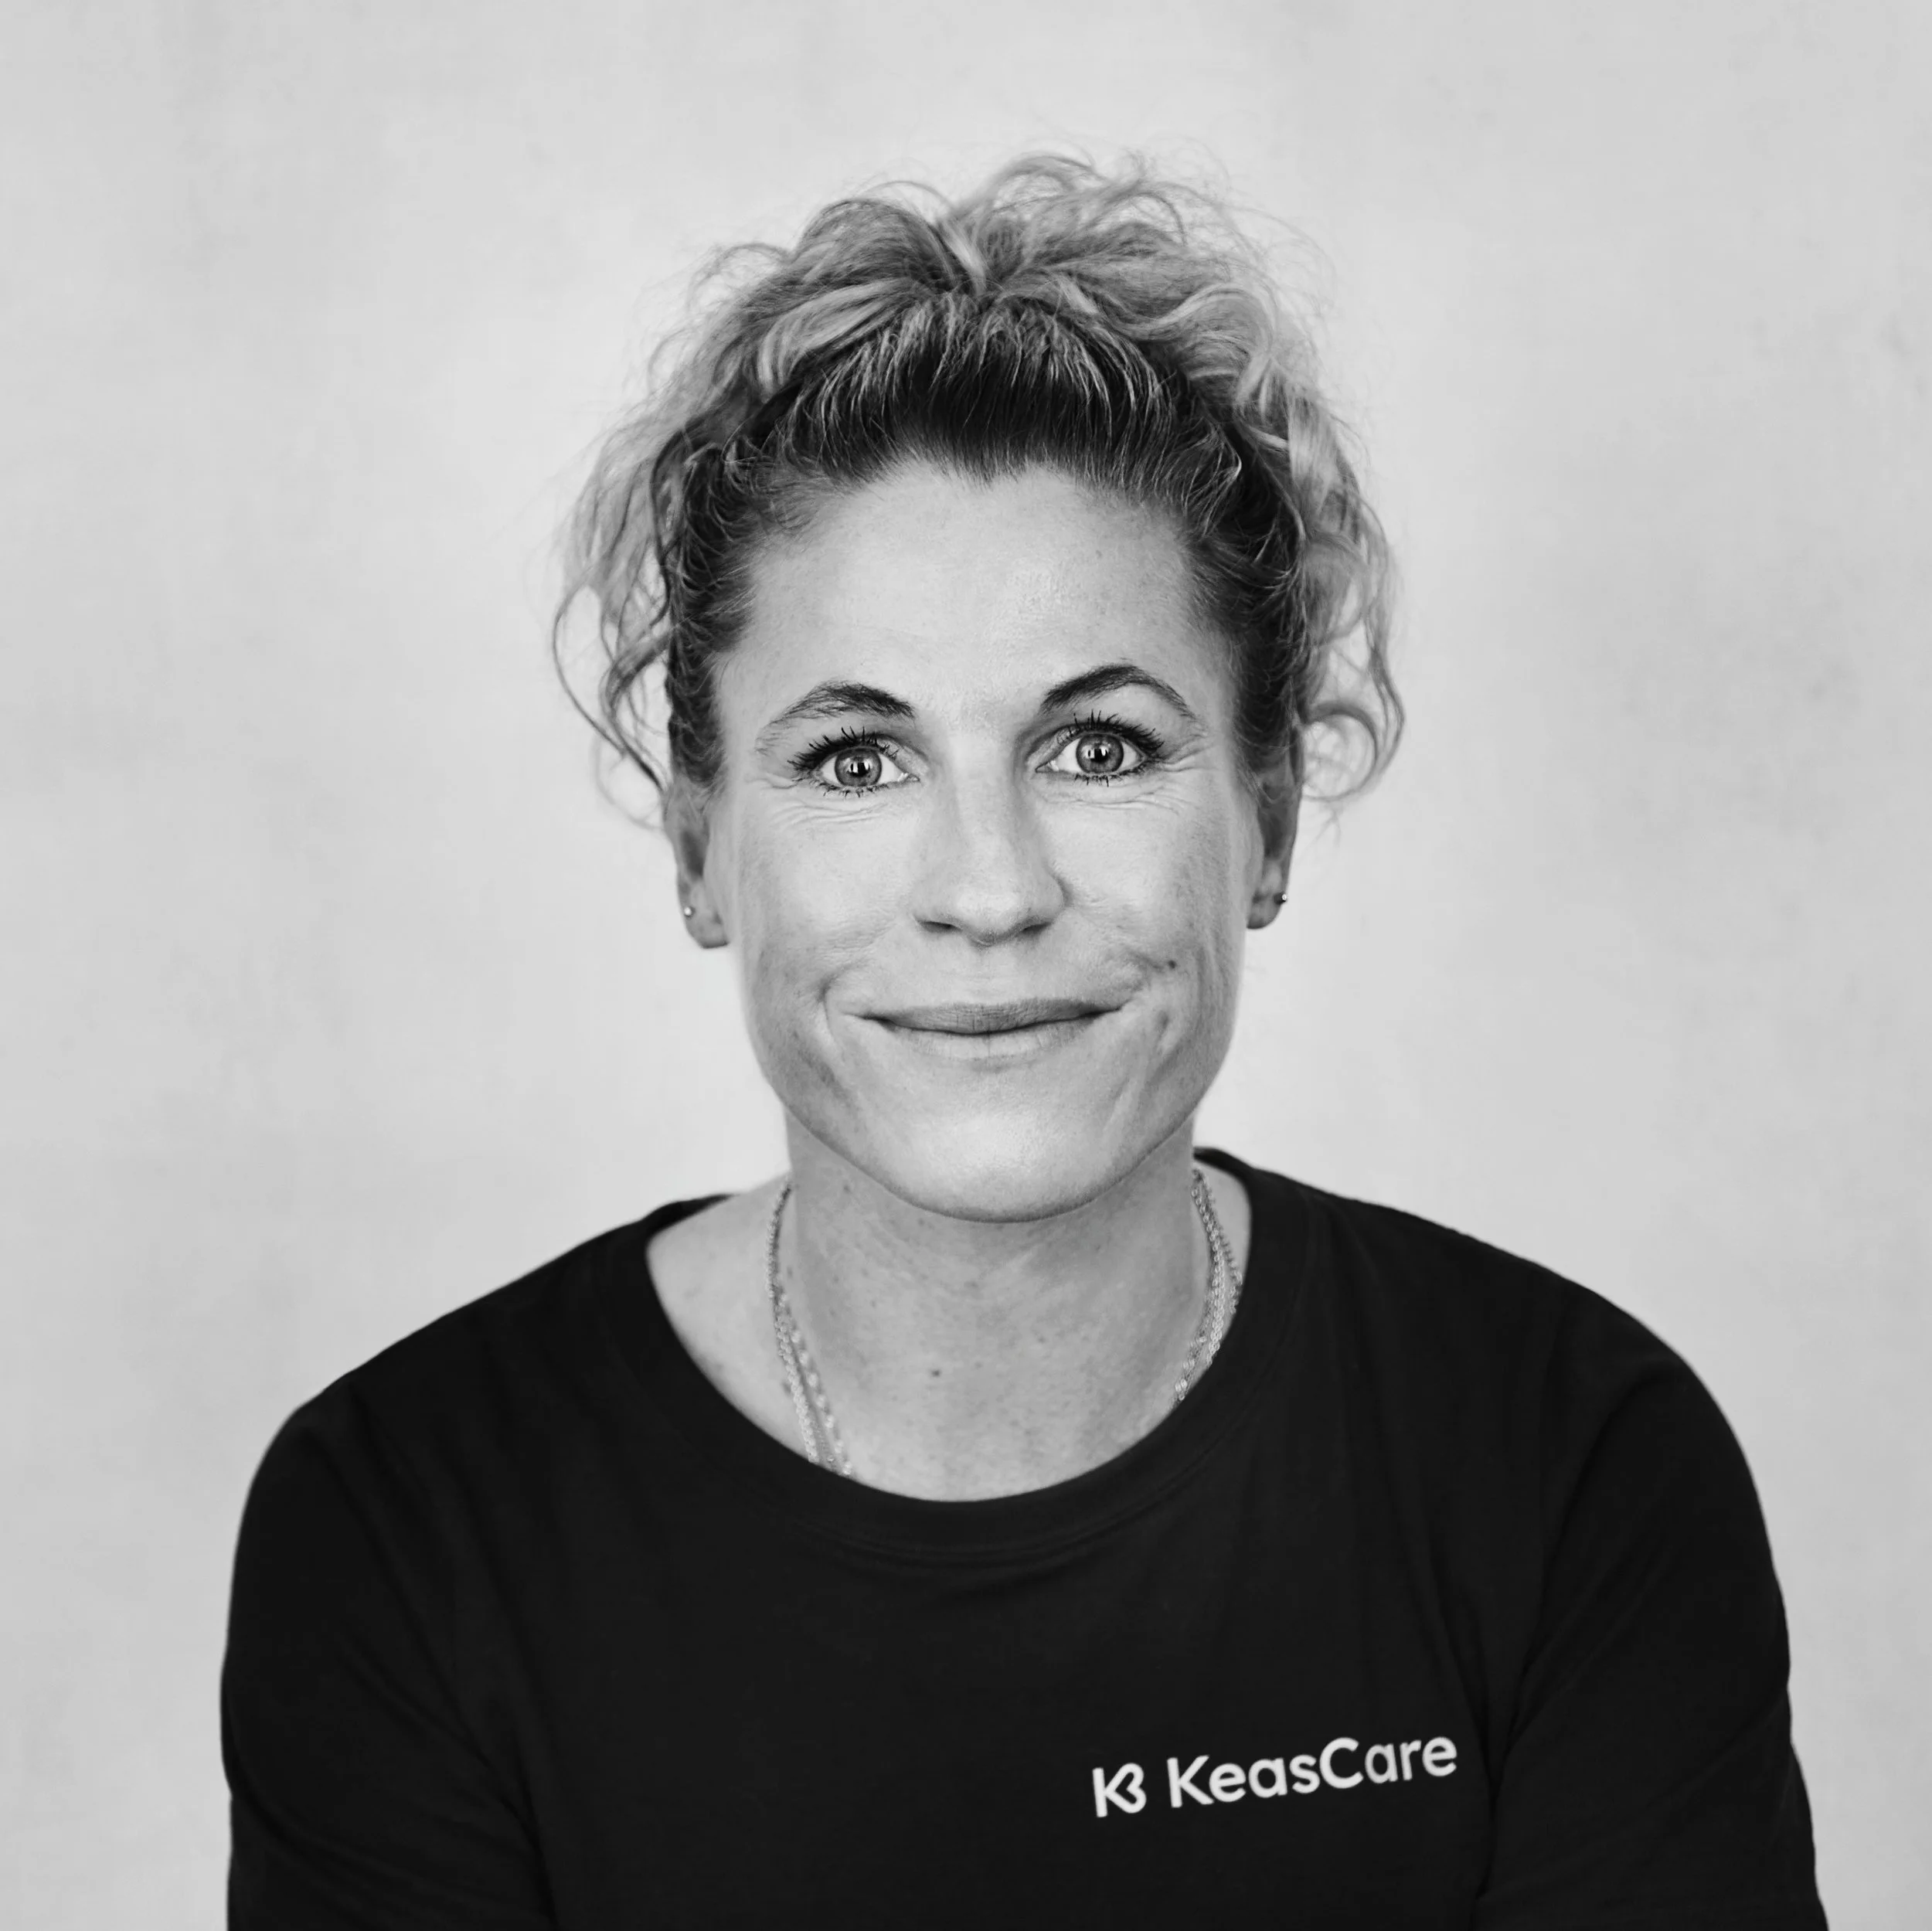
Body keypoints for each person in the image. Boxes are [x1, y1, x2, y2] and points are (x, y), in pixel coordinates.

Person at [221, 155, 1825, 1928]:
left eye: (1099, 747)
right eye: (854, 758)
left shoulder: (1567, 1466)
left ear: (1265, 818)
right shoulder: (409, 1525)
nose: (987, 889)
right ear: (697, 849)